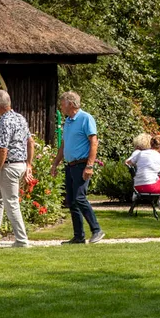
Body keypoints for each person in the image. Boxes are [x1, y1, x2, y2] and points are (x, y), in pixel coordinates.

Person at [48, 91, 105, 244]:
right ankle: (78, 236)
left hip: (82, 164)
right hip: (70, 165)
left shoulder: (86, 118)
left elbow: (94, 142)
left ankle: (97, 230)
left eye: (62, 103)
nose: (61, 106)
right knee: (72, 201)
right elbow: (64, 145)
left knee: (80, 198)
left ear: (71, 104)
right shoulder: (68, 121)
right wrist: (55, 163)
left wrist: (90, 166)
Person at [0, 90, 33, 248]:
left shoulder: (3, 121)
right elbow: (30, 142)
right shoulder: (20, 118)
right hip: (20, 164)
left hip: (10, 166)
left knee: (11, 203)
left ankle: (22, 240)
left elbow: (3, 150)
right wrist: (29, 165)